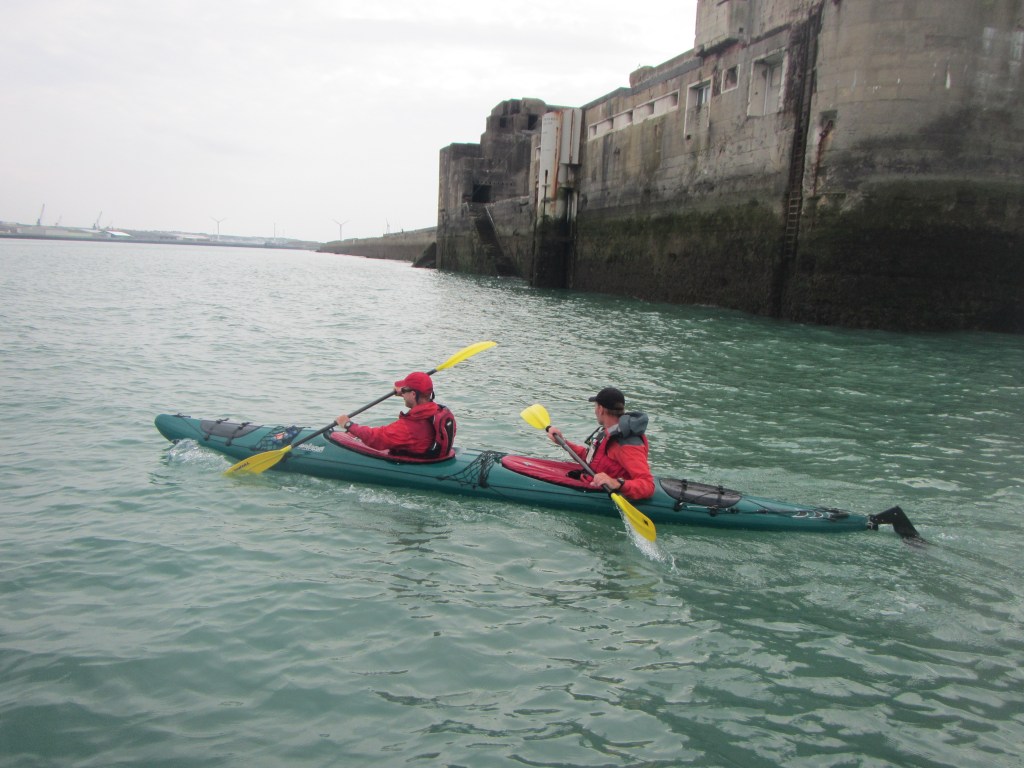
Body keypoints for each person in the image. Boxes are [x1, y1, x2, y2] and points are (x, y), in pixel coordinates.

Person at [547, 386, 655, 500]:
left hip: (609, 493)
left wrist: (617, 483)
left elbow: (648, 485)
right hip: (591, 481)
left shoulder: (626, 444)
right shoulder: (608, 432)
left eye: (595, 406)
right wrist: (563, 442)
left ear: (601, 409)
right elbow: (590, 458)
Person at [335, 371, 453, 456]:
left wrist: (348, 425)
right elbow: (418, 395)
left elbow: (375, 438)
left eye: (405, 390)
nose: (402, 394)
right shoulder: (437, 411)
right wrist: (403, 391)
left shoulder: (409, 427)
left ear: (413, 394)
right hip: (429, 453)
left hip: (415, 457)